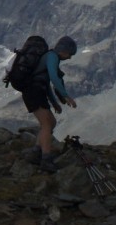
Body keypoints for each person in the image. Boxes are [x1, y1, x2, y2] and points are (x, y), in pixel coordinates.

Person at [8, 35, 78, 172]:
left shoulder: (49, 57)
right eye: (70, 54)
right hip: (33, 92)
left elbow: (45, 83)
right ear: (63, 50)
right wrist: (65, 96)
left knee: (51, 122)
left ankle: (36, 152)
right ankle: (46, 159)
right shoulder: (52, 57)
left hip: (36, 92)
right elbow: (53, 78)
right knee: (46, 124)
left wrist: (55, 103)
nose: (70, 57)